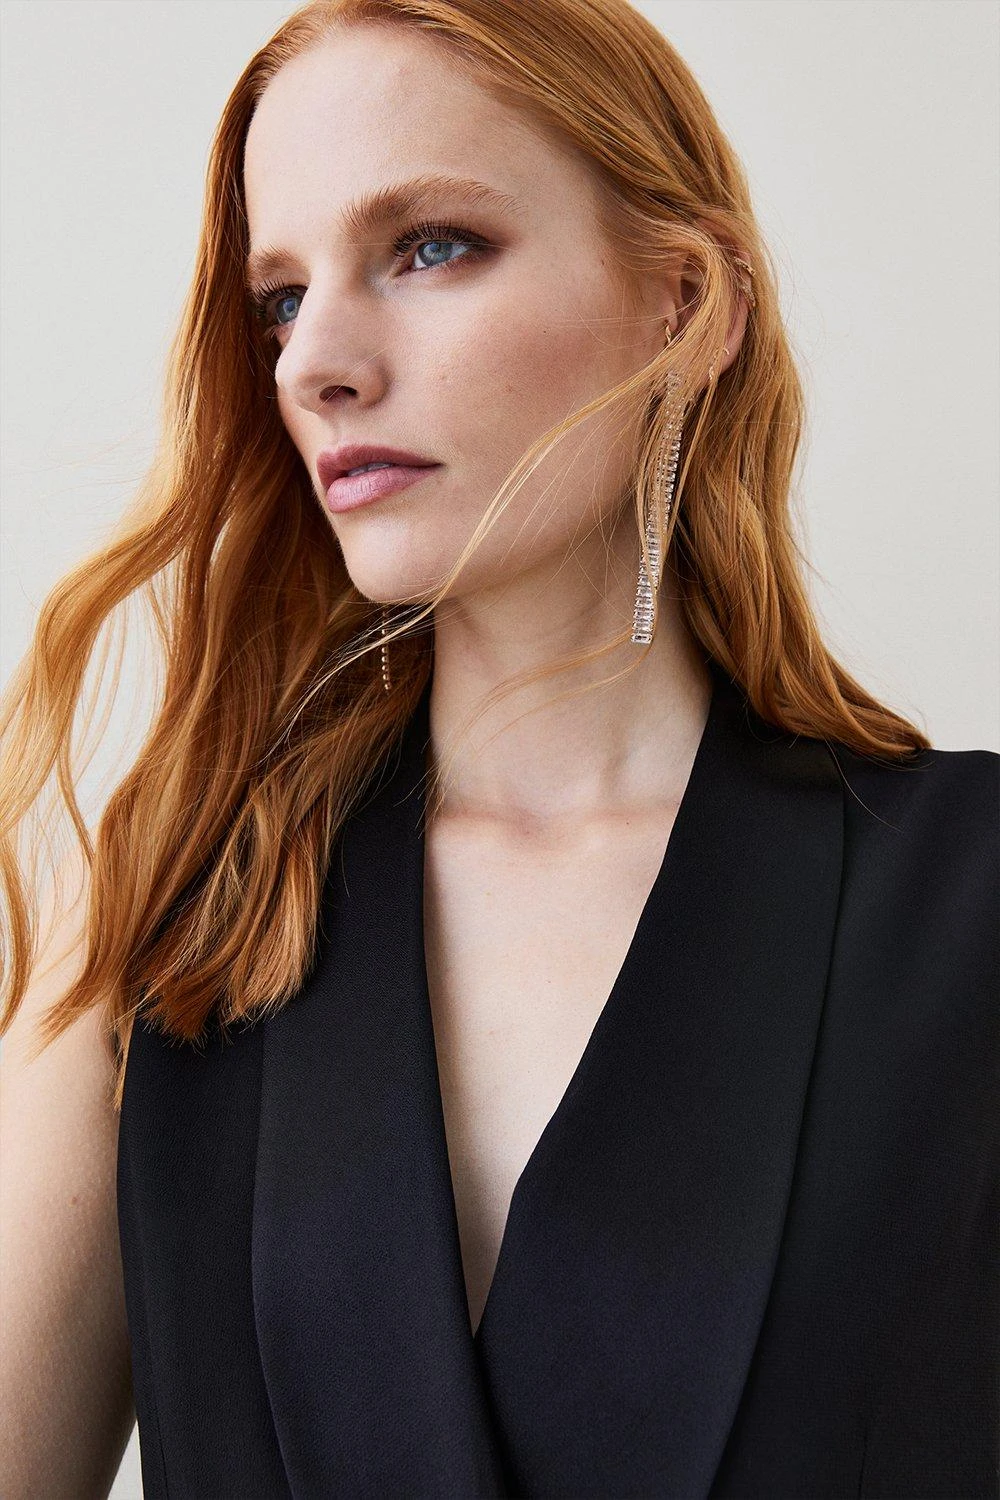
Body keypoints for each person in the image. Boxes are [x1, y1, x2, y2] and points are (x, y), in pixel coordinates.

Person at [1, 0, 996, 1496]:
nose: (315, 361)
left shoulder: (968, 906)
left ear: (684, 305)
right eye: (280, 297)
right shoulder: (176, 912)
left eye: (430, 247)